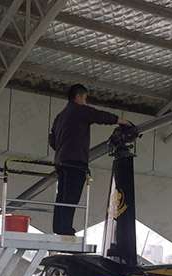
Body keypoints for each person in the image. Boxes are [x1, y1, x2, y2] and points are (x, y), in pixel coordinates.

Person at [49, 84, 130, 235]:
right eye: (85, 98)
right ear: (78, 97)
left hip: (61, 162)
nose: (85, 102)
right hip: (76, 161)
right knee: (71, 196)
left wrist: (64, 148)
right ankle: (65, 229)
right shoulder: (79, 110)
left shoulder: (60, 117)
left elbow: (52, 141)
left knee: (62, 195)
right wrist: (121, 121)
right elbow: (99, 116)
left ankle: (58, 227)